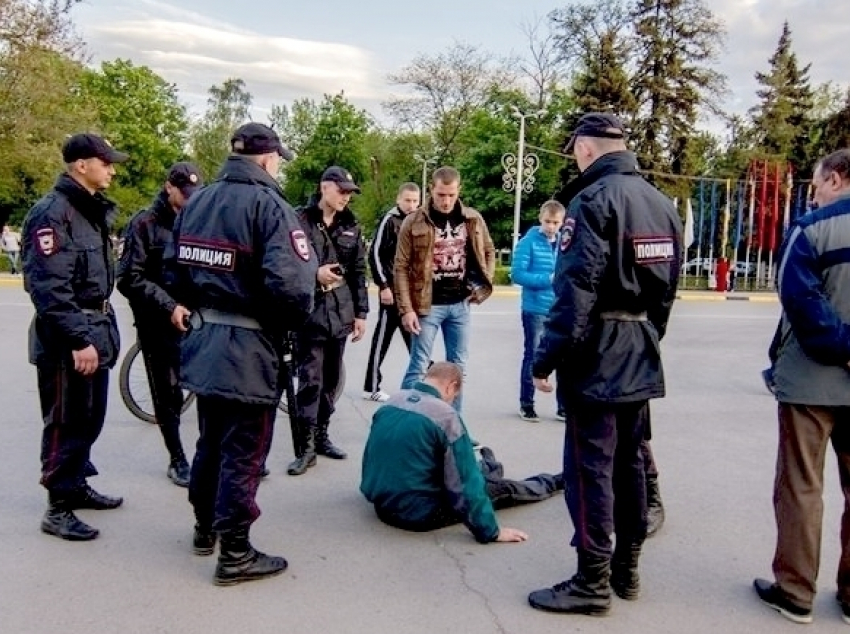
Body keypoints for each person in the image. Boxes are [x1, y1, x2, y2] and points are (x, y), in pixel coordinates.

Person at [528, 113, 682, 615]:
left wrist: (544, 360)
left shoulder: (591, 201)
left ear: (585, 150)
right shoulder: (662, 204)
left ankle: (591, 581)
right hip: (639, 347)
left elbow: (574, 296)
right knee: (631, 462)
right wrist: (645, 335)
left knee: (589, 467)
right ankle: (627, 569)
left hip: (597, 352)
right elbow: (666, 295)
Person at [168, 122, 317, 586]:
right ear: (269, 160)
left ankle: (204, 529)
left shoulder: (199, 202)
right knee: (244, 452)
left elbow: (175, 273)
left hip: (205, 340)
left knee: (210, 441)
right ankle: (234, 552)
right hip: (250, 349)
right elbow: (293, 287)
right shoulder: (270, 206)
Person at [752, 149, 850, 626]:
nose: (814, 193)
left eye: (816, 184)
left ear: (835, 179)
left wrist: (843, 347)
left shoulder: (810, 229)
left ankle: (795, 591)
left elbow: (799, 299)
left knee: (800, 487)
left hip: (811, 380)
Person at [22, 133, 128, 541]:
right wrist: (77, 339)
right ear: (81, 165)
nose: (113, 170)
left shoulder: (87, 212)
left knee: (89, 418)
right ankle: (58, 505)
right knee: (66, 422)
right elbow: (49, 288)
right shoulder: (54, 213)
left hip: (93, 330)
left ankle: (76, 486)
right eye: (106, 162)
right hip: (68, 338)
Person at [361, 361, 560, 542]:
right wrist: (491, 531)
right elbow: (465, 482)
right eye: (454, 396)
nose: (451, 400)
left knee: (467, 468)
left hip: (382, 503)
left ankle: (489, 467)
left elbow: (373, 455)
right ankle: (556, 481)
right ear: (452, 386)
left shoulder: (393, 401)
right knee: (503, 489)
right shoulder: (445, 416)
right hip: (418, 513)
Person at [117, 162, 202, 487]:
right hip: (157, 320)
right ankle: (177, 458)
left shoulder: (195, 221)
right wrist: (169, 306)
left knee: (203, 387)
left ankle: (213, 456)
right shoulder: (144, 223)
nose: (189, 199)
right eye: (184, 193)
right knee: (167, 394)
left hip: (195, 320)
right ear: (169, 187)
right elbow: (129, 278)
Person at [286, 166, 369, 476]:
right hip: (308, 314)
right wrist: (314, 274)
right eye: (342, 190)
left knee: (331, 381)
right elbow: (287, 265)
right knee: (310, 381)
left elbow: (359, 272)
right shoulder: (299, 221)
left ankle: (321, 434)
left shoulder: (351, 226)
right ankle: (305, 446)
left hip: (340, 315)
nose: (346, 197)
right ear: (324, 188)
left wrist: (361, 313)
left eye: (349, 192)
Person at [395, 166, 496, 413]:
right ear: (432, 189)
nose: (446, 201)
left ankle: (453, 426)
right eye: (441, 194)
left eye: (451, 195)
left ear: (458, 190)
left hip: (460, 304)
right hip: (427, 305)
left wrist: (482, 283)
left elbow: (489, 251)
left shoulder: (472, 218)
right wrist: (407, 309)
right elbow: (400, 267)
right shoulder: (414, 220)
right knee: (419, 366)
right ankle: (405, 420)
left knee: (458, 368)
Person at [362, 182, 421, 402]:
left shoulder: (418, 221)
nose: (411, 205)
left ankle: (423, 381)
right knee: (382, 339)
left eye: (415, 201)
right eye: (407, 200)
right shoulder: (390, 220)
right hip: (391, 291)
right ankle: (372, 386)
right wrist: (383, 286)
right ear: (398, 200)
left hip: (409, 293)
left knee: (415, 338)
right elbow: (375, 255)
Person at [511, 200, 566, 421]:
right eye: (547, 222)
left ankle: (563, 406)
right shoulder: (528, 242)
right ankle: (527, 403)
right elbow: (517, 274)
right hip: (535, 308)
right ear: (540, 219)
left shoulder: (565, 243)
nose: (551, 226)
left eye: (555, 222)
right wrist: (547, 280)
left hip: (560, 308)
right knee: (533, 354)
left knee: (563, 357)